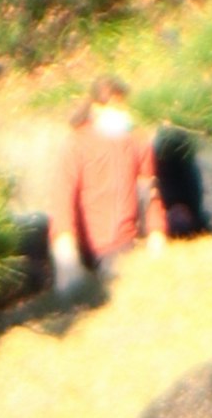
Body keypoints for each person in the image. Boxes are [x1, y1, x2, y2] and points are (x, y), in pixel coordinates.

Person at [34, 76, 170, 300]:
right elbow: (62, 201)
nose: (121, 113)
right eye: (114, 107)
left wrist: (157, 236)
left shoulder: (137, 142)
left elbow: (150, 193)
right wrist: (67, 259)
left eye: (123, 106)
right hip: (89, 249)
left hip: (124, 245)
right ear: (97, 108)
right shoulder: (76, 145)